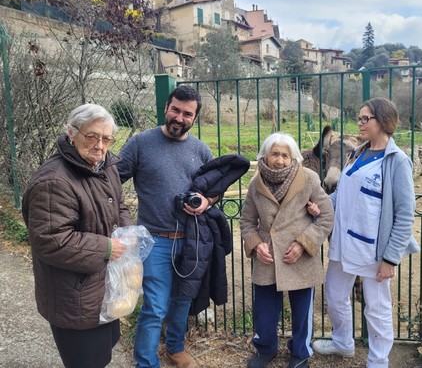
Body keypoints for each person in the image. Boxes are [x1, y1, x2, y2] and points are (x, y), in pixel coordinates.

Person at [21, 104, 133, 368]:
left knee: (103, 352)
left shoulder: (105, 166)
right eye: (91, 136)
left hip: (102, 287)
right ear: (71, 133)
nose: (100, 145)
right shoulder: (55, 181)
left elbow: (119, 204)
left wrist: (127, 232)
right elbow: (51, 240)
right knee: (86, 361)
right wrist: (106, 248)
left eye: (106, 138)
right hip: (75, 296)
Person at [312, 98, 420, 368]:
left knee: (377, 307)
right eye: (359, 118)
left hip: (374, 250)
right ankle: (343, 343)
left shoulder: (397, 161)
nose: (359, 123)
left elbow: (405, 213)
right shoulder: (357, 153)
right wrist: (321, 205)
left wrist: (391, 258)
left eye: (365, 118)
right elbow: (341, 195)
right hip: (343, 242)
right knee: (335, 295)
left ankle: (378, 360)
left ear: (382, 121)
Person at [117, 85, 217, 368]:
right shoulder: (140, 144)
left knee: (182, 301)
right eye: (176, 109)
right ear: (166, 108)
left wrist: (206, 201)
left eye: (187, 113)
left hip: (191, 240)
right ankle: (146, 362)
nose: (179, 117)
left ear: (194, 118)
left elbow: (216, 187)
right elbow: (112, 183)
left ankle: (175, 348)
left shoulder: (201, 150)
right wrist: (124, 220)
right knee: (154, 308)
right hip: (155, 240)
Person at [240, 132, 334, 368]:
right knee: (264, 310)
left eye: (285, 155)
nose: (279, 160)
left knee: (302, 311)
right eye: (275, 154)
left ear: (293, 157)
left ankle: (300, 352)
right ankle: (265, 348)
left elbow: (326, 217)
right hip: (268, 255)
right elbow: (247, 222)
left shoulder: (309, 179)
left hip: (298, 255)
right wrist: (255, 244)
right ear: (265, 155)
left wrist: (304, 244)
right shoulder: (255, 183)